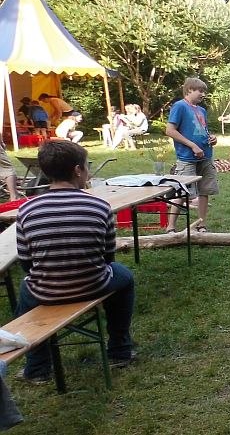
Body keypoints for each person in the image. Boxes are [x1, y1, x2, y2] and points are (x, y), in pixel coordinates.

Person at [14, 140, 136, 384]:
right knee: (125, 278)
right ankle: (120, 350)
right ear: (78, 170)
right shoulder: (100, 206)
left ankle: (37, 368)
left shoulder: (26, 210)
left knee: (26, 289)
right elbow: (107, 257)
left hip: (45, 291)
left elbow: (26, 262)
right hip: (93, 284)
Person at [164, 77, 218, 233]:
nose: (203, 94)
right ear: (189, 90)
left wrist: (212, 138)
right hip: (187, 158)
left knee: (204, 191)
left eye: (204, 92)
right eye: (200, 91)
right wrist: (193, 146)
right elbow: (170, 130)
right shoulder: (180, 106)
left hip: (206, 156)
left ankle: (201, 224)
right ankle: (171, 226)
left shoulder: (201, 110)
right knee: (182, 191)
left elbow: (202, 130)